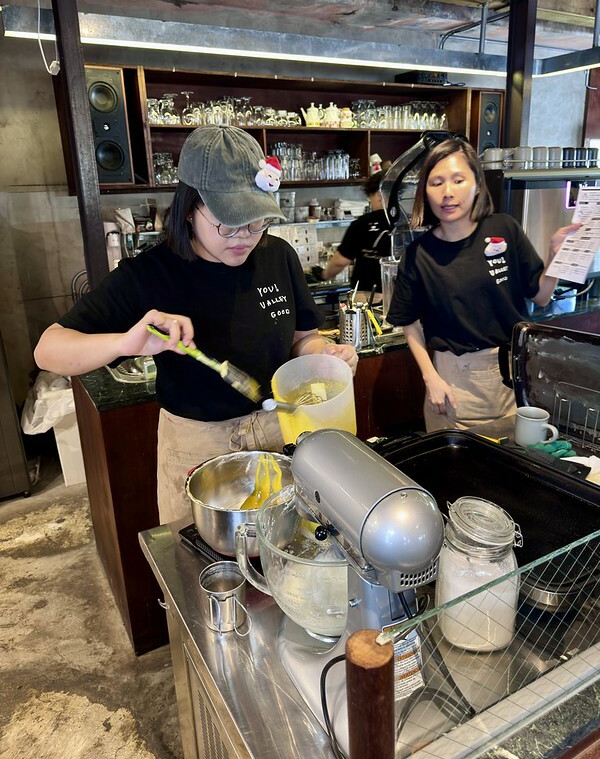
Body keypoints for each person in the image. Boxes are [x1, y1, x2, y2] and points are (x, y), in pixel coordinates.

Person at [34, 125, 358, 524]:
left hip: (279, 432)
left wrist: (325, 360)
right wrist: (125, 343)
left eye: (256, 222)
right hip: (197, 447)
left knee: (289, 542)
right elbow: (48, 349)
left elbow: (303, 339)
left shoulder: (278, 256)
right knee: (196, 556)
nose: (244, 237)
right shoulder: (149, 274)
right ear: (189, 209)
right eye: (227, 223)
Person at [386, 135, 579, 439]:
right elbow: (408, 323)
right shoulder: (418, 254)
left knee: (513, 460)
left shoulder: (505, 228)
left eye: (458, 180)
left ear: (477, 183)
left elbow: (541, 296)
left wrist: (557, 257)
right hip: (452, 383)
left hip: (514, 376)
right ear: (425, 191)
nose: (447, 193)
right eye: (436, 183)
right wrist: (430, 378)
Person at [311, 168, 392, 299]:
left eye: (370, 198)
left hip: (369, 295)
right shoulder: (408, 222)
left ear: (378, 194)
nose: (370, 202)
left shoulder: (363, 223)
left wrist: (323, 275)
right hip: (403, 296)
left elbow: (340, 261)